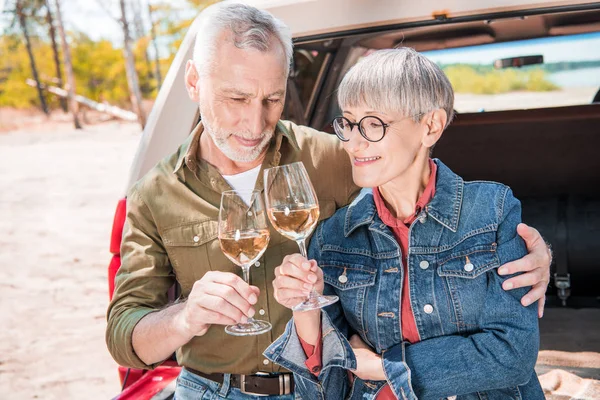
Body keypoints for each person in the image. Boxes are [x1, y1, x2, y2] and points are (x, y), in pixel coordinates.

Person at [106, 2, 551, 399]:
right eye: (236, 98)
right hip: (212, 390)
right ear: (194, 82)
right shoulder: (155, 193)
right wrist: (184, 318)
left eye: (273, 99)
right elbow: (124, 332)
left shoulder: (335, 156)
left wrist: (527, 250)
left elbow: (415, 176)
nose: (254, 121)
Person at [266, 48, 546, 399]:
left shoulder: (492, 211)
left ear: (431, 127)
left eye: (373, 124)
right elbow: (328, 389)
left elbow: (512, 354)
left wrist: (385, 368)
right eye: (349, 123)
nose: (353, 142)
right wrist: (304, 310)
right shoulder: (333, 236)